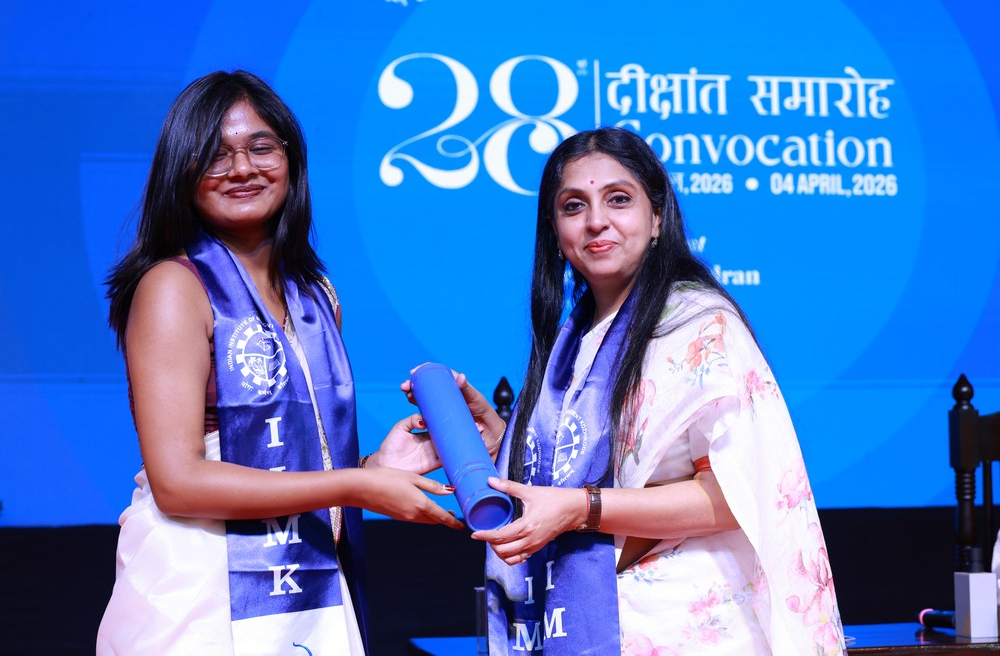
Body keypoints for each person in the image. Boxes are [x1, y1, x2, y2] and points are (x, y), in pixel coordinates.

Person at [97, 70, 469, 655]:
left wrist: (374, 465)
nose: (242, 168)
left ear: (291, 158)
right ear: (181, 171)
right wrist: (357, 486)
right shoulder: (173, 286)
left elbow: (291, 461)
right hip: (198, 581)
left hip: (305, 578)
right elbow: (178, 483)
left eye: (261, 147)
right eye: (215, 154)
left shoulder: (316, 296)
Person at [465, 127, 846, 655]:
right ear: (554, 229)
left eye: (618, 199)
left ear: (657, 217)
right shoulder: (573, 339)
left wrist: (582, 508)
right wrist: (505, 440)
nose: (596, 220)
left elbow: (733, 496)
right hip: (592, 620)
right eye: (573, 206)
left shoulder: (699, 325)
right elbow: (592, 467)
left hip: (683, 626)